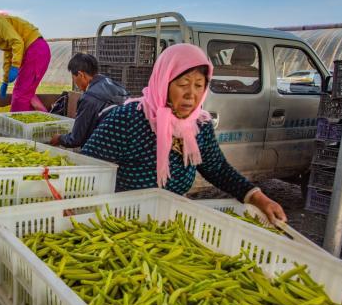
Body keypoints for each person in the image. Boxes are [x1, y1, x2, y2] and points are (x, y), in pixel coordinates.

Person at [82, 43, 287, 223]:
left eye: (199, 85)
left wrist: (257, 197)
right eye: (182, 84)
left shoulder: (198, 126)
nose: (191, 94)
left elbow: (217, 168)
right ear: (164, 83)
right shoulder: (127, 119)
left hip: (168, 224)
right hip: (119, 222)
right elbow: (87, 169)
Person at [0, 5, 49, 112]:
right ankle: (37, 121)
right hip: (37, 50)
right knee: (27, 93)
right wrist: (5, 80)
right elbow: (8, 53)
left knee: (20, 94)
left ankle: (17, 126)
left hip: (35, 50)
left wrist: (15, 66)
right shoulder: (0, 25)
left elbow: (17, 42)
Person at [50, 53, 129, 148]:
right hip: (125, 143)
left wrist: (59, 138)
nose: (75, 82)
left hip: (105, 148)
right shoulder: (115, 85)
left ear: (80, 75)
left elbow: (75, 139)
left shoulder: (89, 98)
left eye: (73, 78)